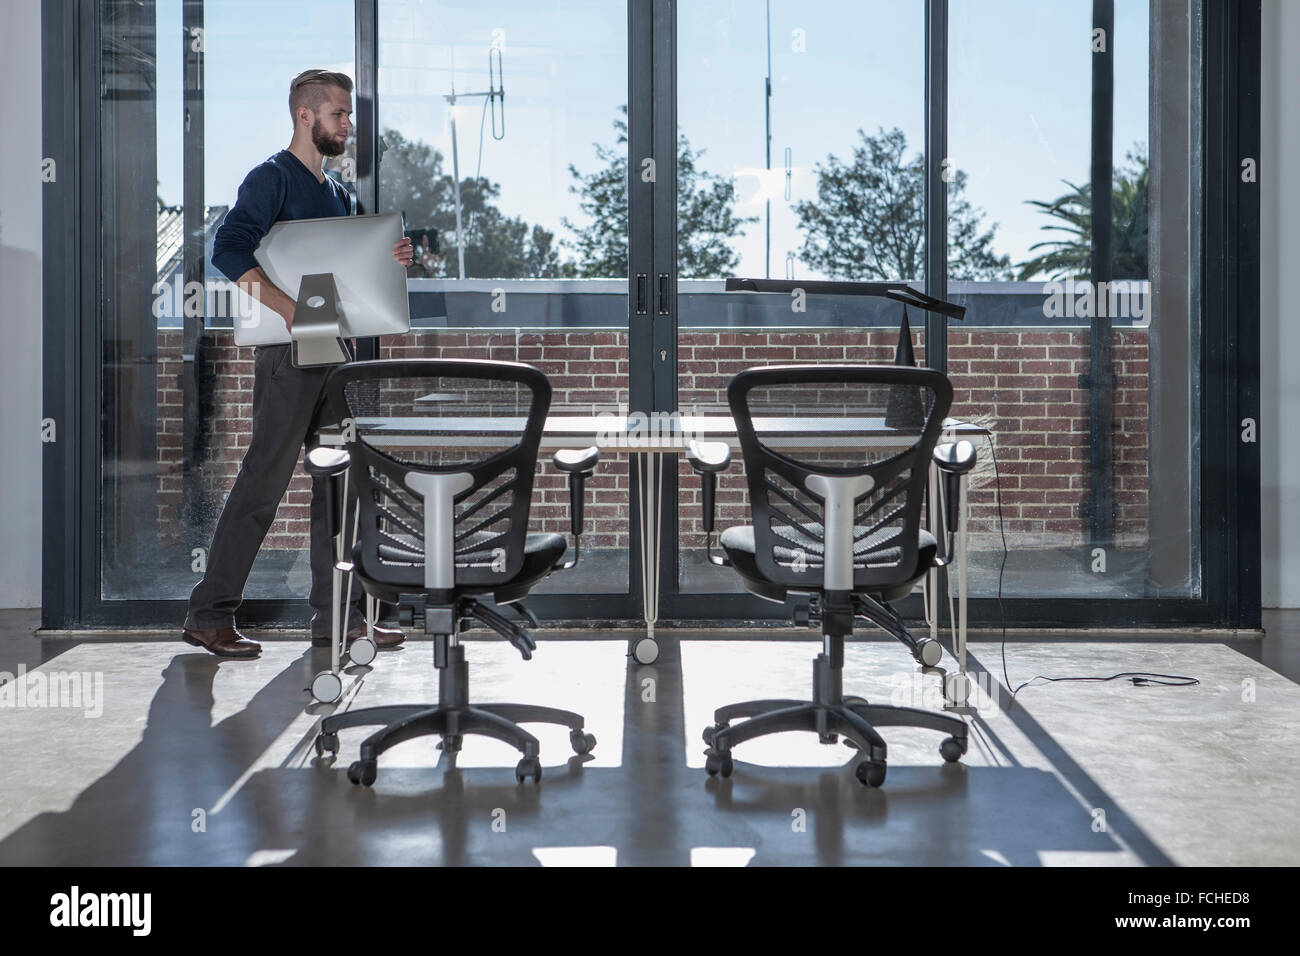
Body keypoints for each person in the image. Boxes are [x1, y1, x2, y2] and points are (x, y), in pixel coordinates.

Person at [181, 69, 413, 659]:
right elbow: (227, 248)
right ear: (307, 116)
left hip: (337, 351)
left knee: (342, 485)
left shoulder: (337, 194)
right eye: (340, 114)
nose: (348, 125)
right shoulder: (270, 178)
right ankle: (209, 616)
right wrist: (291, 312)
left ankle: (343, 620)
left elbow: (354, 267)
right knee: (265, 480)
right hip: (291, 351)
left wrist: (396, 257)